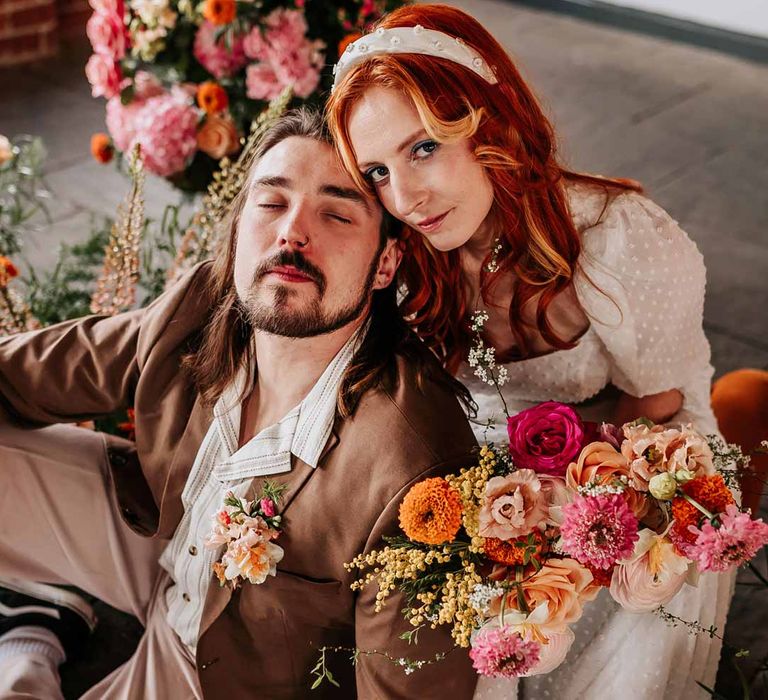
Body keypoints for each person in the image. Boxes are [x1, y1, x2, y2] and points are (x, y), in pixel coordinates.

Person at [326, 5, 748, 698]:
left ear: (490, 126)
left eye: (424, 147)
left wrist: (564, 527)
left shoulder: (617, 241)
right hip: (489, 471)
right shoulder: (403, 255)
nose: (405, 198)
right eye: (375, 172)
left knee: (626, 611)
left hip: (645, 455)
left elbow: (655, 412)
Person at [0, 108, 479, 699]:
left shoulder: (416, 471)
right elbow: (21, 372)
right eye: (272, 203)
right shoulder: (203, 304)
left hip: (219, 671)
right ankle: (37, 633)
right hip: (159, 539)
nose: (292, 233)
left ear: (385, 263)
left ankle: (29, 645)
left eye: (335, 214)